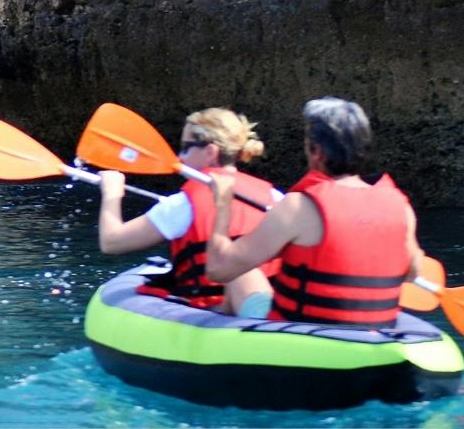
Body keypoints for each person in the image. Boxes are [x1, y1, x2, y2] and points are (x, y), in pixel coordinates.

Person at [203, 97, 423, 327]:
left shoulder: (298, 208)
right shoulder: (401, 206)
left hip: (302, 336)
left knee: (243, 275)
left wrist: (223, 205)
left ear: (316, 151)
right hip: (375, 334)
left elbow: (218, 270)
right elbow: (413, 273)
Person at [97, 107, 284, 318]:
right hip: (271, 306)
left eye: (186, 147)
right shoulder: (275, 197)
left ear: (210, 152)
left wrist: (112, 193)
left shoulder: (183, 205)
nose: (180, 157)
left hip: (212, 311)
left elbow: (111, 242)